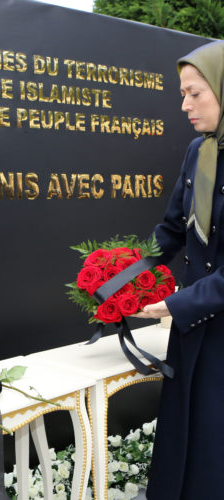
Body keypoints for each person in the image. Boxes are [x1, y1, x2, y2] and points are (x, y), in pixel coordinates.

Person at [133, 40, 224, 499]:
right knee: (184, 438)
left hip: (212, 323)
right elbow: (172, 229)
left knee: (213, 447)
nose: (185, 105)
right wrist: (123, 276)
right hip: (193, 332)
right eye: (182, 94)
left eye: (195, 93)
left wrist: (174, 303)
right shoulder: (198, 152)